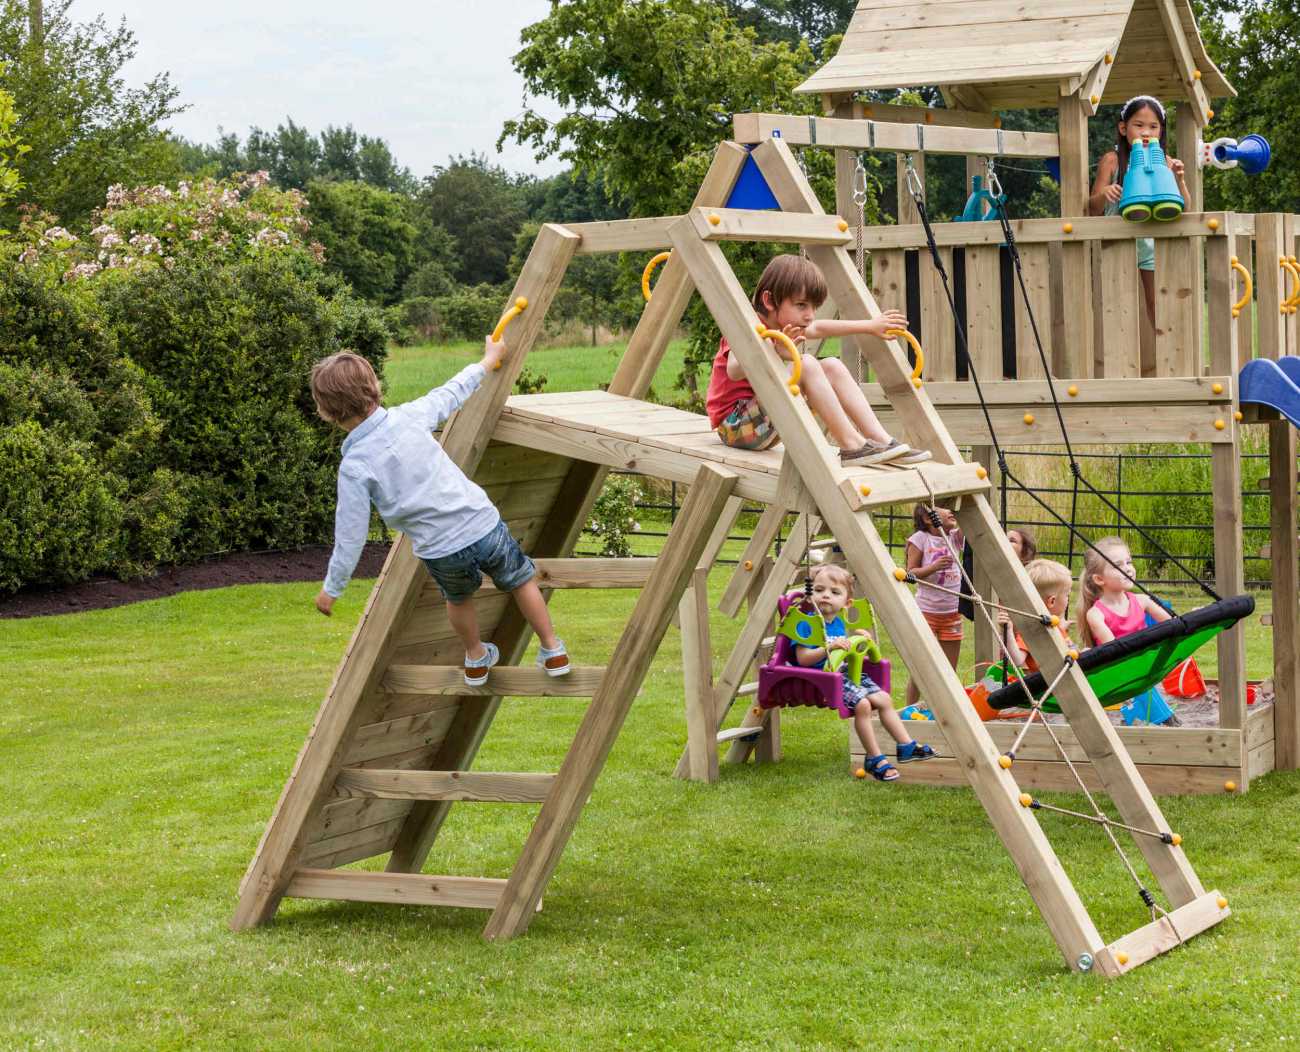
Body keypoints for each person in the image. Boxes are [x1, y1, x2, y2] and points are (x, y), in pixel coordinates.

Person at [310, 340, 570, 687]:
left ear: (326, 411)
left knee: (458, 598)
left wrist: (333, 588)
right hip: (481, 524)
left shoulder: (355, 466)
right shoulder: (410, 416)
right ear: (374, 387)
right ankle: (553, 649)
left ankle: (476, 658)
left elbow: (350, 534)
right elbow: (451, 392)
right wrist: (488, 360)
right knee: (521, 580)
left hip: (441, 549)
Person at [705, 254, 932, 465]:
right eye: (801, 305)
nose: (809, 314)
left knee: (832, 365)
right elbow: (734, 370)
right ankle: (851, 445)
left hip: (763, 422)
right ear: (769, 300)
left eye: (814, 307)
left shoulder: (784, 326)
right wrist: (773, 350)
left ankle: (881, 440)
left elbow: (820, 327)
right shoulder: (747, 325)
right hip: (734, 427)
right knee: (807, 363)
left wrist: (870, 326)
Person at [794, 564, 935, 782]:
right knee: (864, 705)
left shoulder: (838, 622)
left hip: (845, 673)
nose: (826, 596)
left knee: (884, 700)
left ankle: (906, 745)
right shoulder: (806, 624)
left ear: (847, 603)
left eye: (834, 592)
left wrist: (860, 639)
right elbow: (803, 659)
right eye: (820, 590)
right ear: (810, 594)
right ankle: (874, 757)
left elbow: (845, 651)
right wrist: (828, 648)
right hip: (822, 679)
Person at [1088, 96, 1191, 323]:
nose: (1146, 133)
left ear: (1161, 132)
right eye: (1139, 125)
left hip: (1151, 241)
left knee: (1158, 304)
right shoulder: (1112, 160)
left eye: (1153, 127)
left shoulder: (1165, 162)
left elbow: (1185, 208)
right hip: (1116, 240)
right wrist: (1104, 194)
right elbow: (1092, 209)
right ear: (1123, 128)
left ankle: (1164, 354)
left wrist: (1179, 180)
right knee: (1116, 306)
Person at [1078, 537, 1179, 725]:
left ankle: (1143, 718)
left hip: (1144, 665)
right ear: (1099, 579)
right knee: (1140, 692)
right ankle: (1162, 720)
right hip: (1119, 671)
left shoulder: (1142, 601)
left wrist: (1197, 618)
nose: (1128, 568)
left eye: (1129, 562)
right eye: (1117, 566)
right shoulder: (1096, 614)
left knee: (1143, 697)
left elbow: (1174, 624)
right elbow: (1115, 650)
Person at [905, 503, 964, 710]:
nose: (950, 511)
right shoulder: (920, 539)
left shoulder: (955, 536)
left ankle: (944, 710)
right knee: (920, 667)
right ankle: (909, 709)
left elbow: (968, 519)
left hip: (952, 612)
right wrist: (933, 567)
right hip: (926, 611)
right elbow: (909, 573)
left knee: (949, 669)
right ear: (929, 518)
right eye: (944, 507)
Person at [1003, 558, 1073, 674]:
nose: (1068, 600)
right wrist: (1008, 632)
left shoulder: (1053, 625)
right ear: (1052, 601)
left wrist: (1062, 627)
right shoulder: (1033, 631)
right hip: (1049, 686)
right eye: (1067, 595)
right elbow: (1018, 660)